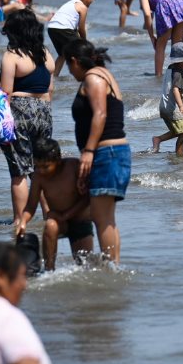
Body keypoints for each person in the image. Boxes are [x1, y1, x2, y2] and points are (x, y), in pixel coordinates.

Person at [63, 40, 129, 264]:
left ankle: (111, 269)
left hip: (106, 153)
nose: (70, 72)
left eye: (69, 67)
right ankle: (114, 266)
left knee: (102, 219)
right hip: (112, 153)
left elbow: (100, 115)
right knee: (107, 219)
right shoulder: (103, 74)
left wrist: (89, 151)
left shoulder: (93, 78)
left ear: (74, 61)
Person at [0, 11, 55, 225]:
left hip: (19, 111)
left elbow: (6, 93)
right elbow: (50, 89)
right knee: (40, 168)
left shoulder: (12, 55)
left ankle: (19, 221)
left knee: (19, 170)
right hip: (44, 111)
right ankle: (48, 216)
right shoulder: (45, 54)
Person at [14, 138, 94, 271]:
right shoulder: (39, 177)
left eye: (46, 166)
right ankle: (49, 269)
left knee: (85, 266)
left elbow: (87, 198)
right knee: (50, 225)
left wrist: (66, 215)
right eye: (37, 166)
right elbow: (31, 206)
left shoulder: (74, 166)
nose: (41, 170)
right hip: (58, 221)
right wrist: (23, 221)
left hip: (80, 220)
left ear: (58, 160)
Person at [47, 0, 95, 78]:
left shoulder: (70, 3)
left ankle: (53, 77)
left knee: (62, 54)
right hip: (64, 28)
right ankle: (89, 75)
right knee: (82, 52)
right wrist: (84, 42)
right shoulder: (83, 7)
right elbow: (81, 28)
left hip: (52, 28)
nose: (92, 0)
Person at [151, 43, 183, 156]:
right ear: (182, 60)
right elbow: (175, 90)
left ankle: (158, 139)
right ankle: (179, 156)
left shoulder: (171, 68)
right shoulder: (179, 73)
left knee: (176, 130)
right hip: (173, 108)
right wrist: (182, 106)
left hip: (164, 106)